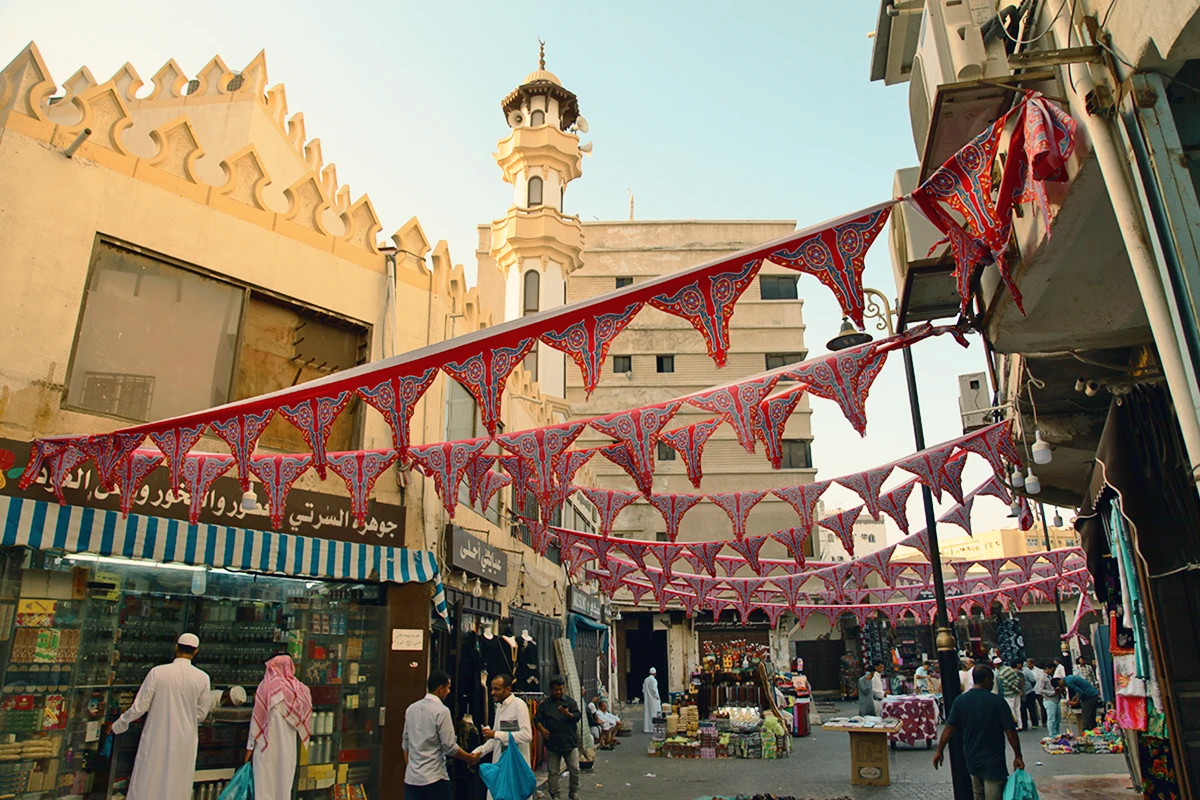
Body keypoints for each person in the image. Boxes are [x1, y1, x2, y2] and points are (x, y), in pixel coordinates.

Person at [111, 633, 212, 800]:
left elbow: (139, 707)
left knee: (148, 781)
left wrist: (118, 725)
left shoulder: (157, 672)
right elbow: (201, 715)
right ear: (196, 652)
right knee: (177, 783)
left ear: (176, 648)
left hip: (157, 737)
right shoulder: (203, 678)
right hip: (184, 741)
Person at [934, 664, 1024, 800]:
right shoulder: (997, 701)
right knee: (993, 793)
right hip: (994, 760)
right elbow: (1010, 731)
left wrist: (939, 750)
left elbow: (949, 728)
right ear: (987, 680)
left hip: (972, 758)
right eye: (992, 680)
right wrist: (1017, 755)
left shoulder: (960, 701)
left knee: (978, 794)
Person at [403, 671, 478, 800]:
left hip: (412, 779)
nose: (449, 692)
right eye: (448, 688)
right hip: (435, 778)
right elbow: (450, 747)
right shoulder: (442, 711)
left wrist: (412, 768)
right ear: (440, 689)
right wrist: (468, 757)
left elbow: (406, 745)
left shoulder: (411, 709)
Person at [246, 655, 313, 800]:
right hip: (287, 748)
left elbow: (256, 720)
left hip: (266, 746)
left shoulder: (267, 687)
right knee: (284, 785)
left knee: (265, 786)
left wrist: (249, 747)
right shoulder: (300, 690)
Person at [473, 674, 533, 800]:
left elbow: (527, 735)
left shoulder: (519, 705)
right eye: (492, 689)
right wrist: (479, 752)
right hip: (500, 766)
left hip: (515, 767)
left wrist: (496, 734)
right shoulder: (499, 707)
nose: (492, 692)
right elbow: (495, 740)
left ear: (508, 689)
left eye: (497, 689)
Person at [535, 676, 581, 800]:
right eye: (556, 690)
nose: (559, 692)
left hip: (569, 742)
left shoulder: (570, 702)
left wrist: (568, 714)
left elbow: (577, 716)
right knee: (553, 772)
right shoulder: (545, 705)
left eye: (561, 689)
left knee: (575, 769)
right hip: (552, 744)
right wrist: (542, 729)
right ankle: (555, 795)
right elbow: (537, 719)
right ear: (551, 689)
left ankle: (573, 792)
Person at [1035, 664, 1062, 738]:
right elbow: (1040, 690)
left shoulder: (1050, 677)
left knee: (1058, 718)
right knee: (1051, 718)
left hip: (1056, 699)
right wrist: (1051, 693)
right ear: (1047, 669)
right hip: (1049, 699)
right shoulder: (1042, 677)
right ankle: (1052, 734)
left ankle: (1057, 732)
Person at [996, 660, 1024, 729]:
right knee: (1018, 709)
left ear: (997, 665)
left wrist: (1016, 690)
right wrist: (1017, 689)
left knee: (1012, 710)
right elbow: (1017, 678)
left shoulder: (1000, 673)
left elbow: (1007, 684)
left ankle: (1015, 725)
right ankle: (1020, 725)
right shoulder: (1009, 668)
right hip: (1016, 693)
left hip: (1008, 694)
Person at [1021, 659, 1043, 729]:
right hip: (1025, 692)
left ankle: (1032, 723)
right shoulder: (1026, 671)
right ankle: (1028, 724)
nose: (1028, 665)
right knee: (1027, 709)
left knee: (1030, 708)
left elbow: (1033, 680)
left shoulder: (1027, 671)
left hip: (1028, 692)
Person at [641, 668, 662, 734]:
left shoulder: (646, 680)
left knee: (648, 713)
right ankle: (653, 728)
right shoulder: (654, 680)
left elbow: (643, 690)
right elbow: (654, 690)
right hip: (654, 699)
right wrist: (657, 697)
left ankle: (647, 728)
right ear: (655, 673)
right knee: (655, 713)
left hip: (647, 700)